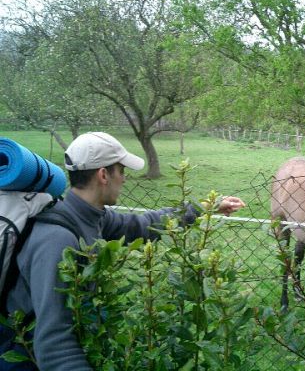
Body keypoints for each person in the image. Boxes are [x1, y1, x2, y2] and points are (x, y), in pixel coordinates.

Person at [0, 132, 245, 370]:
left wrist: (205, 207)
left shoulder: (90, 216)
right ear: (104, 174)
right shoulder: (56, 239)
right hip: (21, 357)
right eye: (122, 171)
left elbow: (142, 225)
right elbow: (54, 343)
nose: (125, 179)